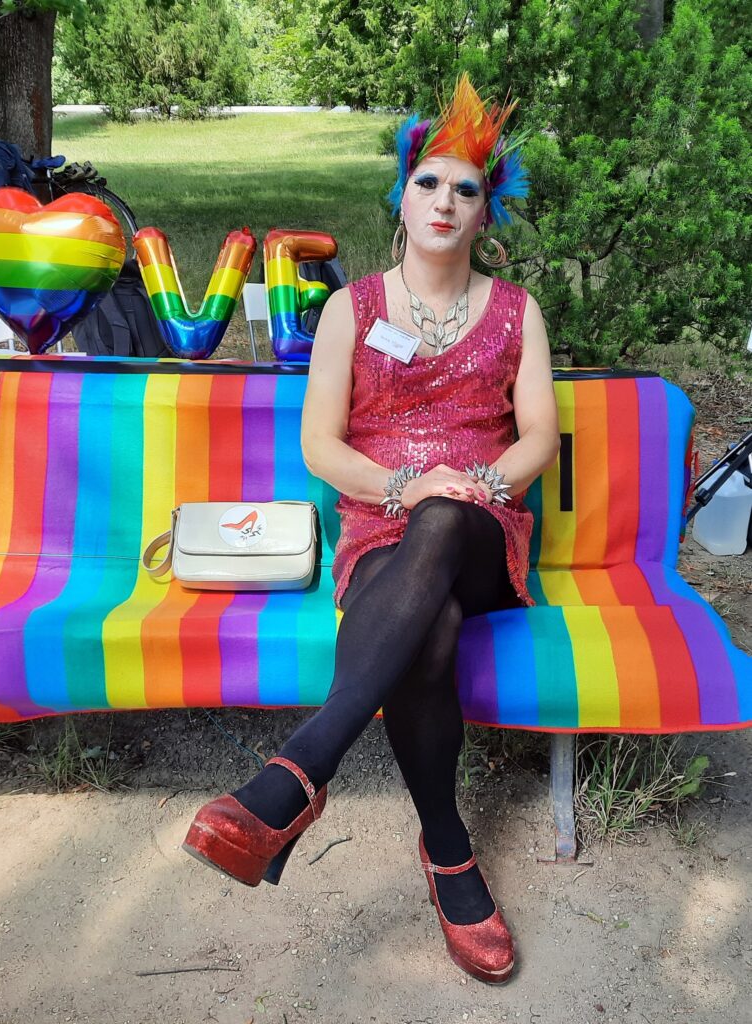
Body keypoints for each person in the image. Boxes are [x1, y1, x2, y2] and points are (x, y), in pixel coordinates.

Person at [182, 73, 560, 985]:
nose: (444, 200)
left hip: (482, 528)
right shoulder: (348, 308)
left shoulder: (517, 311)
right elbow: (319, 445)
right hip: (379, 531)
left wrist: (473, 484)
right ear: (401, 197)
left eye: (465, 188)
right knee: (427, 628)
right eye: (428, 182)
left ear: (485, 212)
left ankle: (298, 772)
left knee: (445, 519)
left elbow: (539, 439)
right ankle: (447, 850)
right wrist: (404, 484)